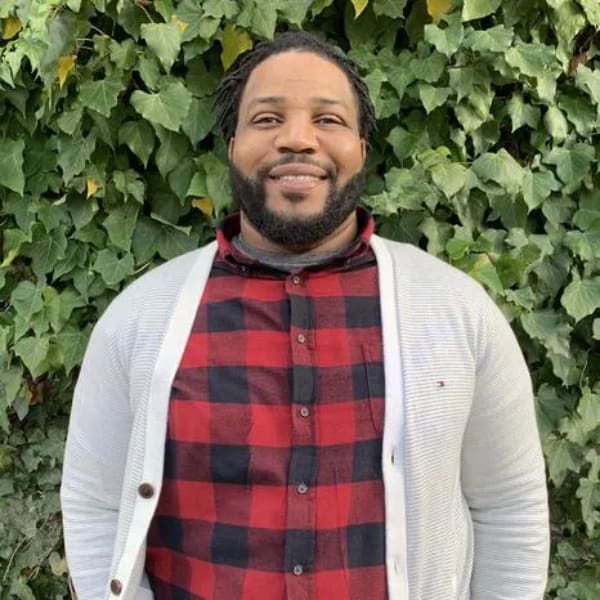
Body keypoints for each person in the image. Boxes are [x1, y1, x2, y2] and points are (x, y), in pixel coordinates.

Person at [61, 30, 549, 600]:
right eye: (267, 119)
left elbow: (507, 507)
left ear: (362, 148)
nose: (297, 139)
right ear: (232, 146)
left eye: (328, 120)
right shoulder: (140, 319)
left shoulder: (458, 313)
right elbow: (95, 504)